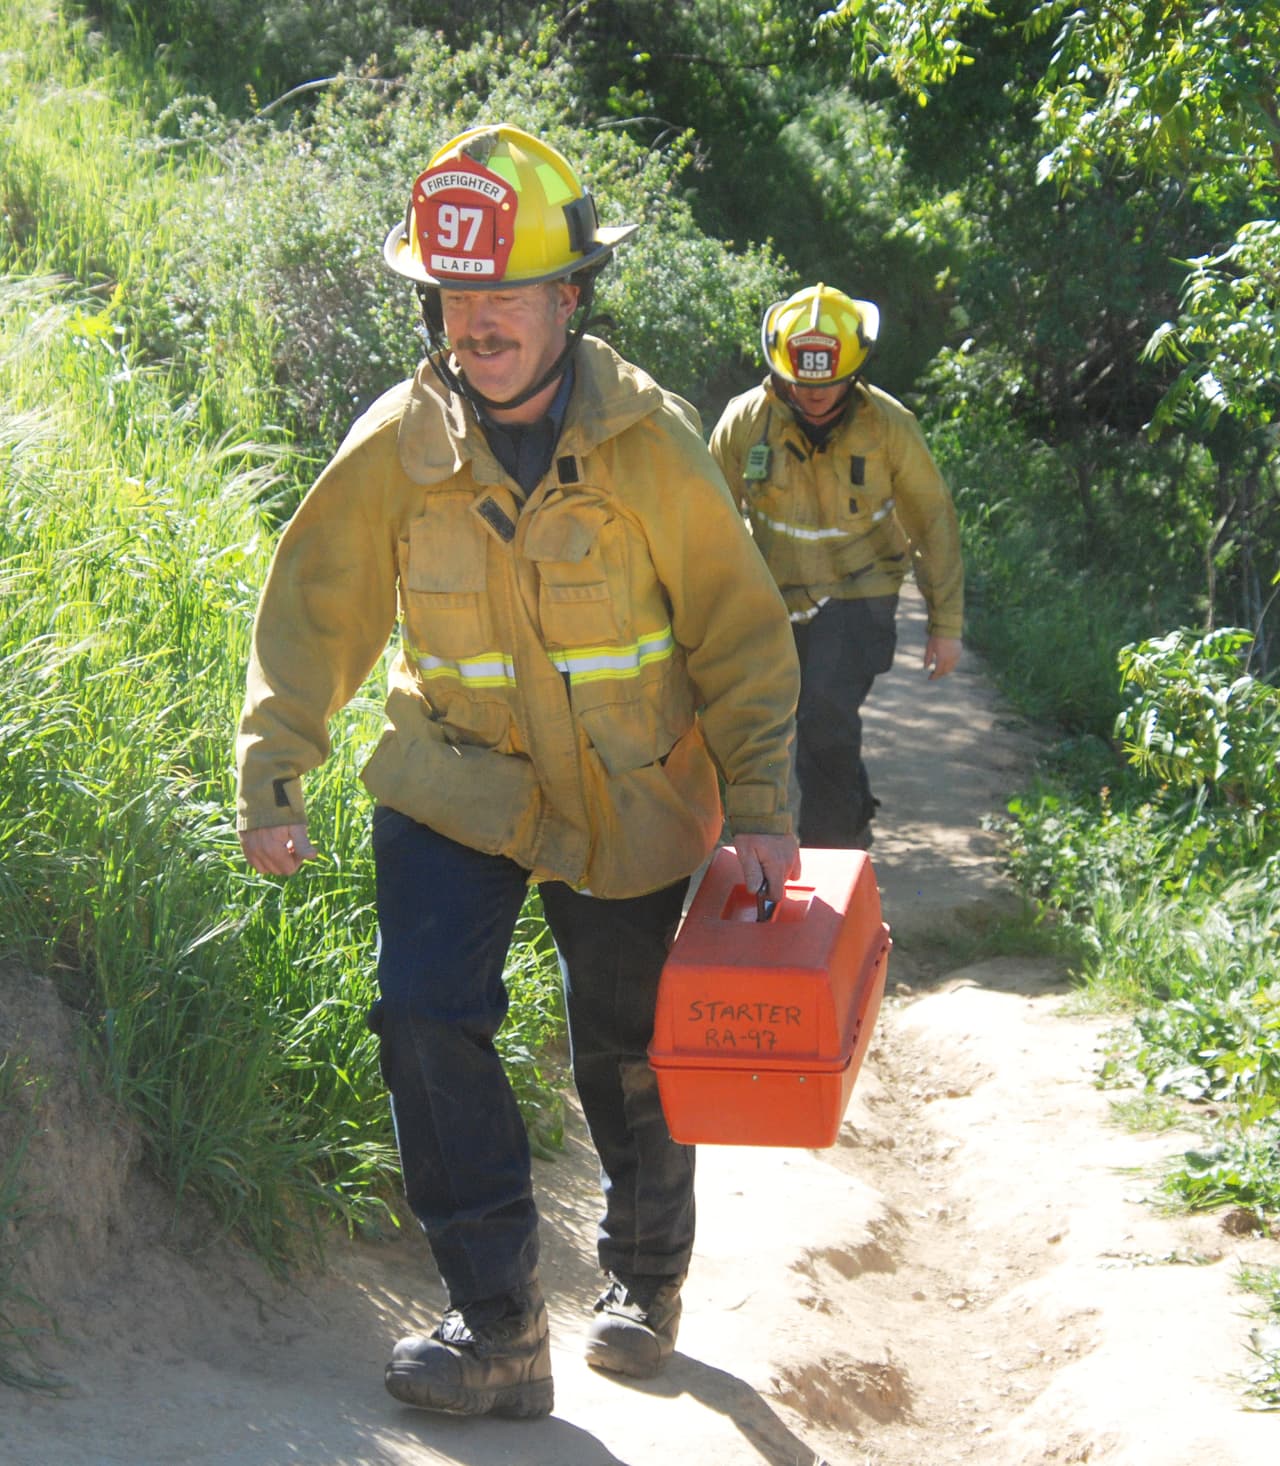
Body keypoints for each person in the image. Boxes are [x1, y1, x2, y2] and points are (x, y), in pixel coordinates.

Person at [235, 123, 800, 1420]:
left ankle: (645, 1279)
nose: (476, 321)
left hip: (634, 797)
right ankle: (496, 1325)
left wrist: (762, 810)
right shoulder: (395, 443)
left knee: (627, 1050)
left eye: (504, 295)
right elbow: (313, 608)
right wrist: (278, 767)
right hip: (458, 782)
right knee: (427, 1015)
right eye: (454, 295)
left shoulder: (652, 444)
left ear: (568, 297)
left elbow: (740, 633)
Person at [709, 283, 963, 850]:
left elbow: (934, 521)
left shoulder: (889, 428)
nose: (815, 394)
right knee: (800, 720)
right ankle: (851, 807)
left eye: (828, 383)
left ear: (854, 370)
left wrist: (946, 626)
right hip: (774, 600)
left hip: (859, 594)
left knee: (824, 711)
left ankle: (833, 856)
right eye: (801, 382)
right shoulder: (743, 422)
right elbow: (708, 526)